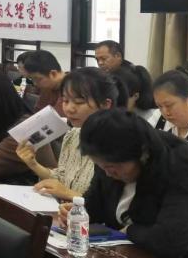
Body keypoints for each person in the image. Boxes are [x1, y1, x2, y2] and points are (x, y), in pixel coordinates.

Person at [58, 110, 188, 258]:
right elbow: (96, 206)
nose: (108, 173)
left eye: (112, 167)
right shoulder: (108, 157)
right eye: (101, 166)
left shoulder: (183, 168)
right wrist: (78, 213)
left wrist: (129, 231)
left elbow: (169, 242)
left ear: (142, 154)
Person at [16, 67, 117, 201]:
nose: (69, 109)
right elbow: (61, 178)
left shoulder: (116, 144)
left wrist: (68, 194)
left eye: (79, 102)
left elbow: (111, 205)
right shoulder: (73, 134)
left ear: (105, 104)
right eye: (65, 101)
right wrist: (33, 164)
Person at [23, 49, 65, 113]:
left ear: (53, 74)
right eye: (32, 79)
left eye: (37, 79)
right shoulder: (47, 87)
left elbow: (59, 116)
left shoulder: (73, 87)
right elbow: (38, 113)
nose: (35, 83)